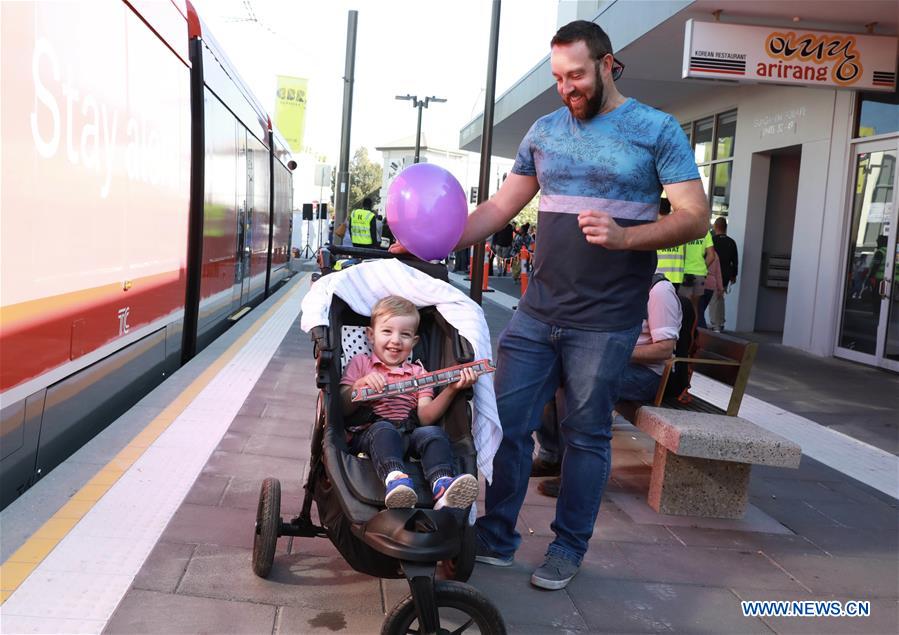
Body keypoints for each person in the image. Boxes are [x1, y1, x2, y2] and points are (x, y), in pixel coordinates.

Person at [393, 19, 708, 590]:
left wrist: (626, 236)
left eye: (578, 75)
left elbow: (693, 216)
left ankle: (567, 548)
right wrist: (429, 241)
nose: (569, 88)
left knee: (585, 437)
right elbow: (497, 210)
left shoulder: (657, 130)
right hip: (537, 314)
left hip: (607, 322)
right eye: (560, 78)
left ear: (609, 65)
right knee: (505, 425)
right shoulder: (542, 132)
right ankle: (495, 536)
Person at [535, 272, 683, 497]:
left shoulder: (659, 291)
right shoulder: (619, 284)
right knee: (549, 372)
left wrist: (614, 351)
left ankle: (576, 475)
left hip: (647, 376)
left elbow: (664, 349)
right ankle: (551, 457)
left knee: (577, 385)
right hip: (614, 363)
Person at [340, 296, 480, 510]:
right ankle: (395, 480)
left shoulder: (418, 372)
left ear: (413, 342)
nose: (396, 340)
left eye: (405, 335)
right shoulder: (361, 364)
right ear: (370, 335)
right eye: (387, 331)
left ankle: (442, 485)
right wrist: (359, 386)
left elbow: (425, 416)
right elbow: (340, 406)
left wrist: (451, 389)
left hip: (408, 433)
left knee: (433, 433)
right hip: (371, 434)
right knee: (384, 429)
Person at [709, 217, 738, 331]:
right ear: (726, 228)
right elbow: (735, 260)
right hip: (726, 274)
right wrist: (734, 275)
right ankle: (720, 322)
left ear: (715, 227)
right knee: (720, 298)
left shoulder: (712, 241)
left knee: (714, 299)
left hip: (714, 274)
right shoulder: (731, 242)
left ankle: (714, 324)